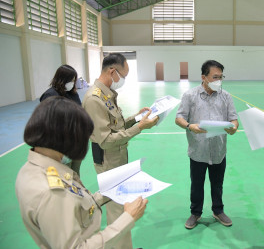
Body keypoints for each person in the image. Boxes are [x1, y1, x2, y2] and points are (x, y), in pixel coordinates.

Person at [15, 96, 148, 248]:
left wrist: (107, 191)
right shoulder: (51, 193)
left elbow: (74, 205)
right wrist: (128, 218)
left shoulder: (33, 168)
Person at [82, 53, 158, 248]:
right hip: (108, 159)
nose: (123, 80)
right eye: (123, 75)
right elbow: (106, 140)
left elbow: (115, 124)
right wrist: (139, 128)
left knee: (121, 207)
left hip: (117, 157)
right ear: (112, 71)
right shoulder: (94, 99)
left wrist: (136, 118)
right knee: (118, 211)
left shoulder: (106, 94)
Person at [175, 60, 239, 229]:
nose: (219, 80)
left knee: (217, 184)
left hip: (219, 151)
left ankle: (218, 210)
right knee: (197, 185)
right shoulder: (190, 96)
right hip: (198, 150)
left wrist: (234, 128)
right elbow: (179, 118)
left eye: (221, 77)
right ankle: (195, 213)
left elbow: (233, 119)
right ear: (204, 77)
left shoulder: (226, 96)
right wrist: (190, 126)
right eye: (215, 77)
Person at [40, 64, 82, 175]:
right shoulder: (50, 95)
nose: (72, 83)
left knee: (75, 174)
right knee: (64, 175)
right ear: (62, 79)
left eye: (74, 80)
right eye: (70, 80)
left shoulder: (72, 93)